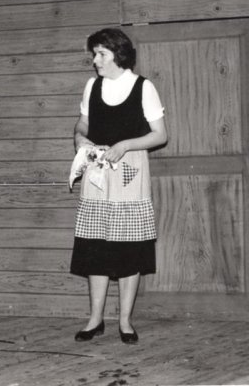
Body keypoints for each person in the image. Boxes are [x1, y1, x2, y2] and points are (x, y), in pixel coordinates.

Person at [70, 27, 167, 345]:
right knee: (95, 245)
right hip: (98, 172)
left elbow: (160, 135)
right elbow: (84, 122)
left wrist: (126, 145)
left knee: (129, 248)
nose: (95, 60)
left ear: (118, 54)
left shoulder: (143, 87)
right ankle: (95, 319)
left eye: (101, 54)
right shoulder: (92, 86)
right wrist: (79, 136)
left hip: (130, 173)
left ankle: (125, 321)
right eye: (94, 54)